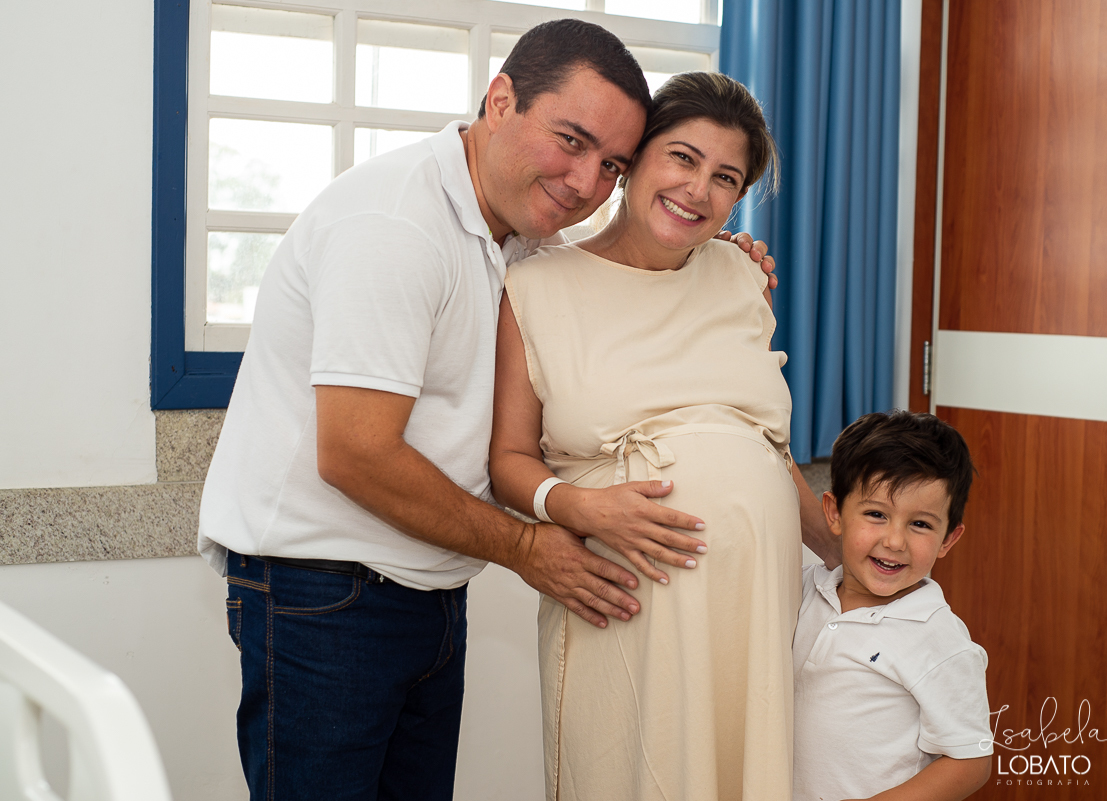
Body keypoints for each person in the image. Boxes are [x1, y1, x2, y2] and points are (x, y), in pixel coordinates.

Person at [197, 18, 781, 801]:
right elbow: (357, 452)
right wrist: (529, 545)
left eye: (610, 164)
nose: (585, 182)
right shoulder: (396, 223)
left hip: (430, 589)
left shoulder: (531, 237)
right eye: (571, 141)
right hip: (325, 595)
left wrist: (721, 257)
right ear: (500, 100)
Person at [490, 72, 837, 801]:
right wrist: (576, 508)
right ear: (634, 159)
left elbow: (768, 451)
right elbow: (508, 460)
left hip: (754, 603)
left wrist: (843, 555)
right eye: (682, 157)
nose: (697, 189)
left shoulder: (742, 276)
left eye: (725, 178)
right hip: (628, 600)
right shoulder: (535, 287)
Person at [792, 410, 993, 801]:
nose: (895, 541)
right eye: (876, 515)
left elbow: (971, 761)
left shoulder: (939, 638)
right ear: (834, 513)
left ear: (948, 539)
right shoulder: (802, 588)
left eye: (920, 524)